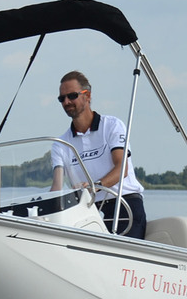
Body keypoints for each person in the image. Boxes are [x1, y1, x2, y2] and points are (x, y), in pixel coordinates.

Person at [50, 70, 147, 239]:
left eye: (72, 96)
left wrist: (92, 187)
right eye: (62, 98)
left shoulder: (112, 126)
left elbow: (121, 168)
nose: (66, 102)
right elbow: (57, 186)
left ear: (87, 96)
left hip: (124, 204)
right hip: (88, 210)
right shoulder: (60, 144)